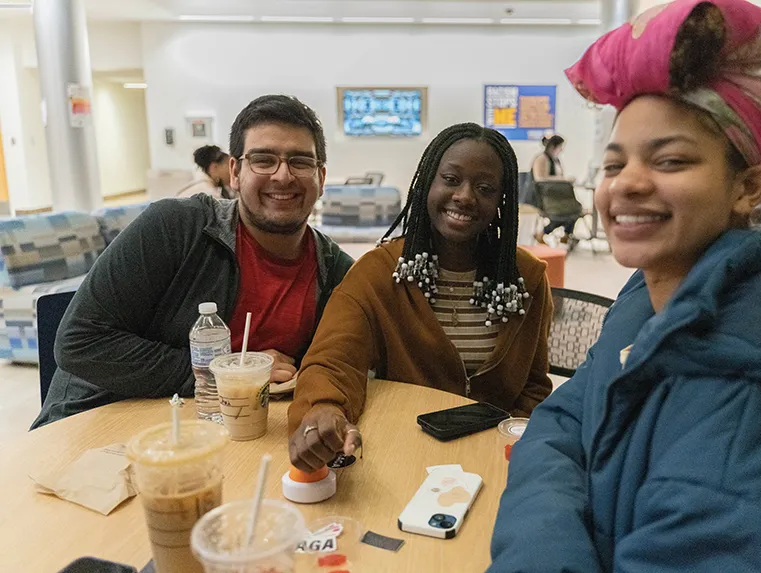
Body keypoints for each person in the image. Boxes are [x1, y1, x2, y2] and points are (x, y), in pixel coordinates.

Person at [490, 1, 761, 571]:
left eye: (671, 160)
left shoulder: (759, 412)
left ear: (748, 187)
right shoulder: (648, 297)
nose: (629, 183)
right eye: (615, 166)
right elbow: (564, 421)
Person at [32, 95, 354, 428]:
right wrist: (233, 372)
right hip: (99, 424)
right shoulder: (175, 227)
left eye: (300, 161)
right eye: (263, 159)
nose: (283, 175)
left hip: (232, 437)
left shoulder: (335, 273)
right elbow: (79, 342)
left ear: (322, 176)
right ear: (235, 172)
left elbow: (341, 367)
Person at [287, 123, 554, 472]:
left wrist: (509, 452)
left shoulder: (527, 279)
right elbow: (333, 361)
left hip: (494, 459)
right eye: (451, 179)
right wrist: (323, 409)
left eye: (485, 188)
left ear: (501, 201)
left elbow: (534, 387)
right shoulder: (380, 272)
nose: (465, 196)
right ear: (427, 183)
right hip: (402, 453)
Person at [531, 135, 581, 244]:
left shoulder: (556, 160)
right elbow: (539, 179)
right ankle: (544, 232)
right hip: (548, 198)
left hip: (559, 197)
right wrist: (562, 180)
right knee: (566, 214)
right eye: (560, 146)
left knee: (575, 211)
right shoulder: (541, 159)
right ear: (554, 146)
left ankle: (565, 235)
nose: (562, 149)